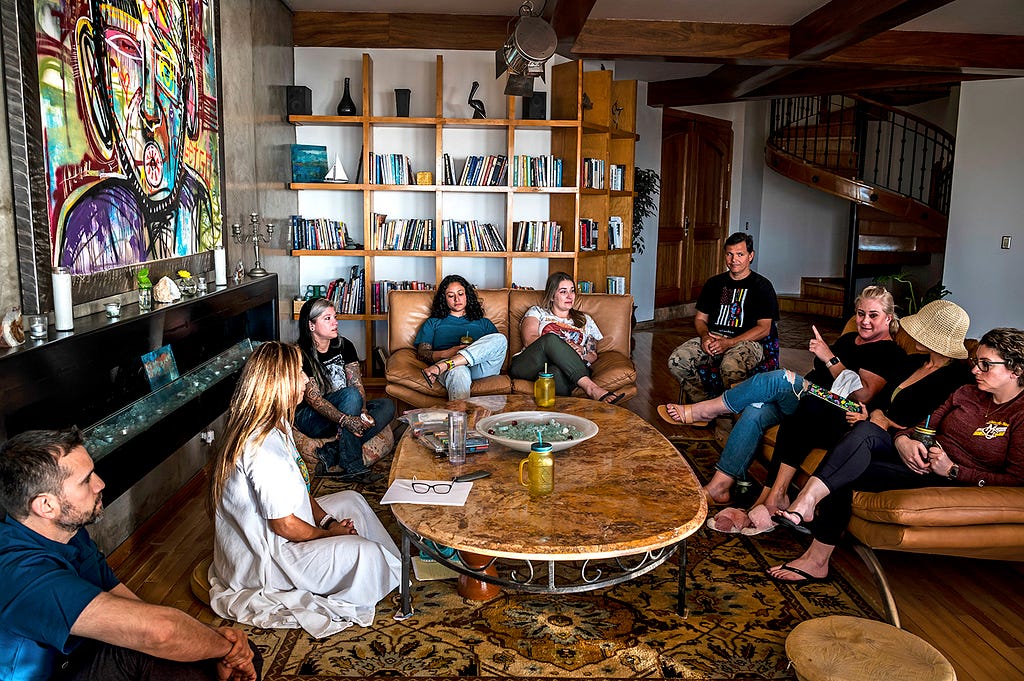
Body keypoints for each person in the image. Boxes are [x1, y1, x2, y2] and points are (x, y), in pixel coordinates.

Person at [767, 327, 1024, 584]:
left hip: (941, 475)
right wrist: (903, 441)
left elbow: (1016, 478)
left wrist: (953, 470)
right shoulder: (967, 392)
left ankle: (815, 553)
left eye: (986, 365)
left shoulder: (1019, 415)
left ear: (1016, 370)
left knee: (846, 468)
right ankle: (808, 508)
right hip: (917, 456)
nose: (976, 369)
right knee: (862, 435)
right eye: (977, 362)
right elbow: (924, 425)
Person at [0, 428, 260, 681]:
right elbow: (160, 632)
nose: (100, 484)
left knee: (231, 654)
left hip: (81, 657)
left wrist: (217, 640)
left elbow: (120, 597)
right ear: (46, 506)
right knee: (153, 648)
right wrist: (228, 650)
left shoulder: (69, 532)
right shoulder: (18, 573)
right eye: (86, 480)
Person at [208, 342, 402, 637]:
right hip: (273, 560)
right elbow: (283, 524)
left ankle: (396, 570)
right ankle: (379, 565)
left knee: (352, 500)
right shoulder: (261, 447)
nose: (305, 380)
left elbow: (299, 488)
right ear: (278, 382)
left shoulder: (278, 424)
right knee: (366, 555)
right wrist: (329, 535)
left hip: (286, 534)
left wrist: (328, 521)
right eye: (298, 372)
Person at [661, 286, 906, 507]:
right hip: (809, 397)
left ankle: (705, 410)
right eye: (861, 314)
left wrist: (829, 357)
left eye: (873, 315)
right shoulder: (849, 339)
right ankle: (719, 487)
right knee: (756, 409)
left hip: (835, 408)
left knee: (781, 378)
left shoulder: (888, 351)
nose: (864, 321)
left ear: (888, 318)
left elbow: (863, 392)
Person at [57, 0, 215, 272]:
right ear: (94, 73)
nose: (150, 110)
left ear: (188, 97)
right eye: (127, 49)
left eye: (166, 69)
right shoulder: (96, 218)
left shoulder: (195, 200)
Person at [666, 232, 779, 405]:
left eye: (740, 254)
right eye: (729, 254)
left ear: (751, 255)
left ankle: (732, 410)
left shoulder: (762, 286)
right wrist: (705, 337)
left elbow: (764, 328)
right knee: (677, 360)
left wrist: (730, 342)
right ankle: (703, 405)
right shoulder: (714, 284)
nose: (734, 259)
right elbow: (700, 319)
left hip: (747, 342)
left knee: (730, 366)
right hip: (713, 338)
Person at [294, 298, 395, 481]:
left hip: (347, 409)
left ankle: (331, 452)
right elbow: (315, 400)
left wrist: (362, 413)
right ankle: (353, 466)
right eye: (327, 318)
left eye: (335, 316)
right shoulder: (300, 354)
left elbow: (356, 383)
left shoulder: (344, 345)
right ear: (311, 325)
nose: (335, 322)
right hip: (312, 417)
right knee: (350, 395)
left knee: (386, 405)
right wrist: (346, 420)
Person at [508, 272, 623, 403]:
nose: (569, 296)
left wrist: (581, 351)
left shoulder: (586, 320)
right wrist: (565, 346)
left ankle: (562, 417)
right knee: (550, 339)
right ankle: (592, 389)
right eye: (563, 292)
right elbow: (529, 340)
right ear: (552, 296)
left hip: (568, 370)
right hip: (531, 364)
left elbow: (592, 355)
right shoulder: (537, 312)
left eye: (572, 291)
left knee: (555, 372)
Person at [416, 274, 508, 399]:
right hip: (450, 366)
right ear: (444, 298)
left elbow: (496, 349)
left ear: (467, 296)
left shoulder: (483, 322)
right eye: (451, 295)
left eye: (460, 294)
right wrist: (448, 353)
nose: (457, 299)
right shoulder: (433, 322)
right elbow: (422, 353)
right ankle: (463, 418)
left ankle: (446, 365)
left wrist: (468, 353)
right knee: (458, 371)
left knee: (500, 339)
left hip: (479, 367)